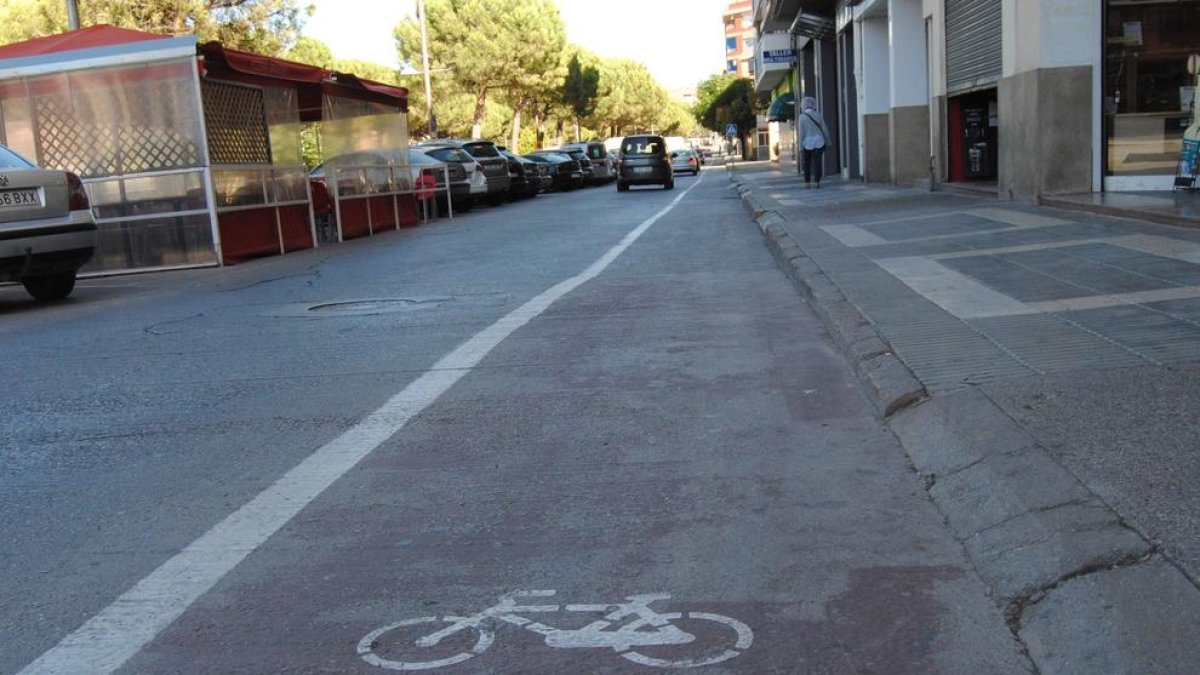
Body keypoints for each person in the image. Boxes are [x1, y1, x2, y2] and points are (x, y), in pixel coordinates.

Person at [797, 96, 829, 188]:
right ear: (813, 105)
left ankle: (807, 183)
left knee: (807, 163)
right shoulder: (818, 115)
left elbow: (801, 133)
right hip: (819, 141)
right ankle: (817, 182)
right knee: (818, 162)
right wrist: (828, 140)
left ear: (803, 106)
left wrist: (800, 146)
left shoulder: (802, 117)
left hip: (807, 143)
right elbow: (824, 129)